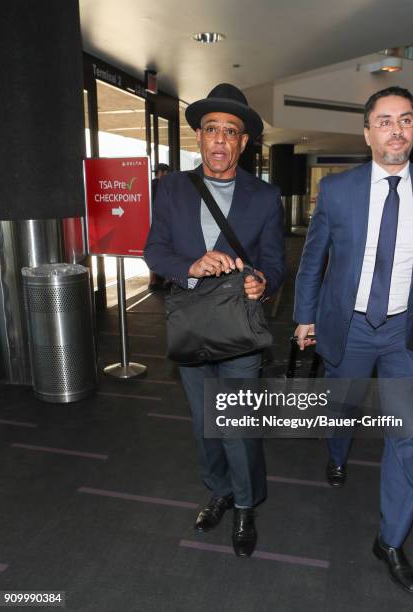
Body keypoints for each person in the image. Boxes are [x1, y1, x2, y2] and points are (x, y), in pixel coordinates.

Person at [293, 86, 413, 593]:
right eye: (384, 121)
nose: (396, 129)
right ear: (367, 133)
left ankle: (390, 539)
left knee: (406, 440)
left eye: (405, 120)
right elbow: (313, 257)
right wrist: (304, 317)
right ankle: (337, 453)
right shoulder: (338, 191)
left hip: (408, 332)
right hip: (352, 324)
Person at [144, 83, 285, 557]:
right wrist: (189, 266)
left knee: (237, 421)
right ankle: (219, 489)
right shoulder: (171, 188)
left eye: (231, 132)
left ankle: (245, 504)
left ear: (244, 143)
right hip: (189, 323)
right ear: (199, 138)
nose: (221, 140)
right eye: (212, 130)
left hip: (239, 327)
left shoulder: (265, 198)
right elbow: (154, 250)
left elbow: (275, 261)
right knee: (206, 420)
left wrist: (262, 282)